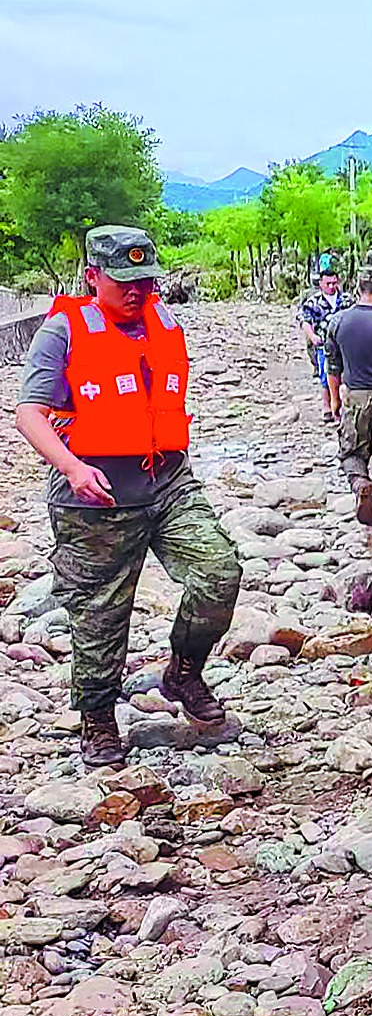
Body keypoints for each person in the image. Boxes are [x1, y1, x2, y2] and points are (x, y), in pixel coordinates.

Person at [13, 226, 243, 767]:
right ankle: (97, 718)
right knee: (100, 614)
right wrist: (71, 467)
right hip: (94, 495)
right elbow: (29, 414)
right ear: (94, 277)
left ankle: (183, 672)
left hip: (166, 480)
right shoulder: (63, 332)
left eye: (144, 280)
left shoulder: (163, 323)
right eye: (123, 282)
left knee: (220, 571)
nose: (136, 291)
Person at [324, 266, 372, 526]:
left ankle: (359, 484)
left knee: (351, 453)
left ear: (358, 289)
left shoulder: (338, 322)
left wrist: (334, 399)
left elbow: (332, 366)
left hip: (355, 395)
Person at [297, 257, 349, 423]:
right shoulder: (313, 302)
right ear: (320, 283)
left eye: (334, 283)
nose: (332, 287)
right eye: (328, 284)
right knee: (326, 376)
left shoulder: (346, 299)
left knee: (346, 375)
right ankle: (327, 406)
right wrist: (312, 337)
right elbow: (304, 319)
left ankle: (346, 406)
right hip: (324, 344)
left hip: (345, 344)